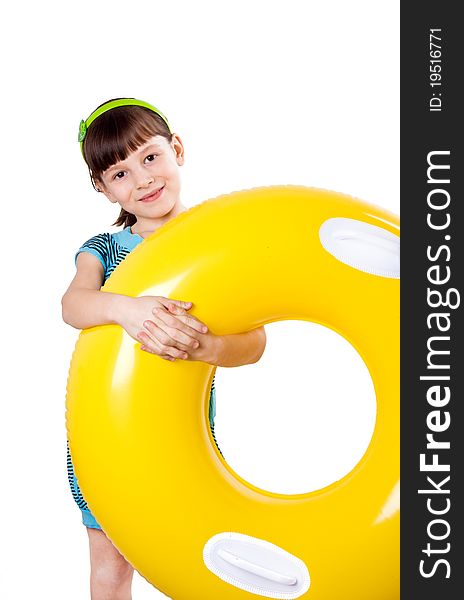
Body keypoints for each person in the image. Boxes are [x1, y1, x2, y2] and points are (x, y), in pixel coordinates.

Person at [61, 98, 267, 600]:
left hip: (187, 436)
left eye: (150, 158)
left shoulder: (212, 241)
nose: (143, 180)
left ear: (176, 149)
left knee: (200, 556)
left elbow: (255, 342)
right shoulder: (105, 250)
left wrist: (208, 346)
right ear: (102, 188)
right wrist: (127, 310)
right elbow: (73, 305)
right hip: (105, 433)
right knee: (112, 565)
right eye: (120, 173)